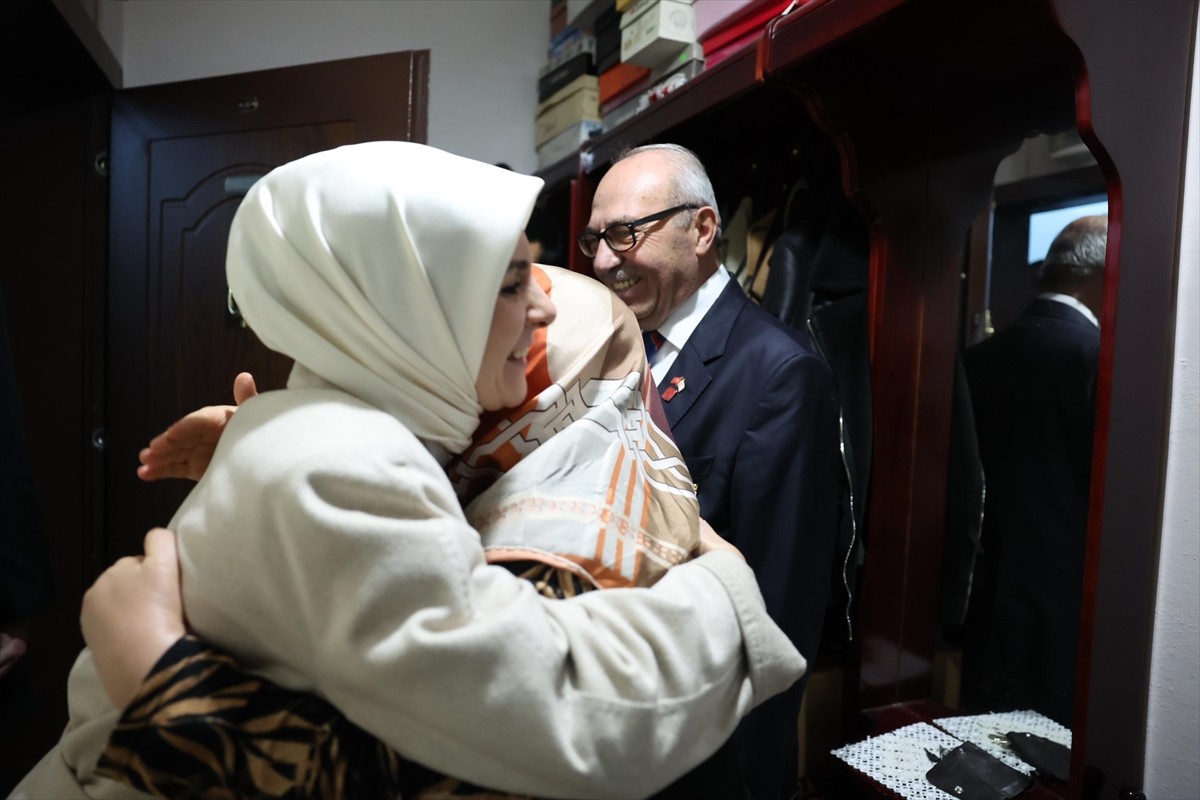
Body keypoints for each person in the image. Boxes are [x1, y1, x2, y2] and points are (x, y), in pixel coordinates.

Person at [12, 142, 804, 799]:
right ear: (414, 313)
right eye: (511, 283)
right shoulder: (341, 463)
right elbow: (545, 718)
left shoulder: (322, 440)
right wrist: (723, 589)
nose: (544, 309)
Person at [582, 144, 842, 799]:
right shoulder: (609, 350)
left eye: (625, 233)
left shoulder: (779, 374)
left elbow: (776, 611)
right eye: (595, 239)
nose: (604, 260)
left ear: (701, 230)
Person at [960, 214, 1107, 727]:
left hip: (982, 599)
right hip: (1070, 609)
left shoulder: (976, 359)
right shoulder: (1100, 361)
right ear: (1106, 275)